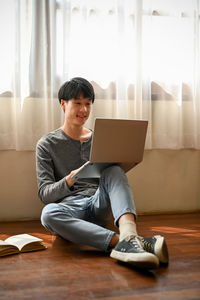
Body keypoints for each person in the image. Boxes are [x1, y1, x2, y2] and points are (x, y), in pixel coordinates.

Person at [36, 77, 168, 270]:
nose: (84, 110)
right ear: (63, 104)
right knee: (48, 214)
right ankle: (125, 242)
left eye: (88, 104)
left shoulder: (100, 138)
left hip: (100, 203)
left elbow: (113, 179)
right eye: (78, 103)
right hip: (71, 209)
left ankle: (129, 234)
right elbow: (45, 194)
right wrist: (71, 178)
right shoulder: (47, 144)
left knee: (114, 170)